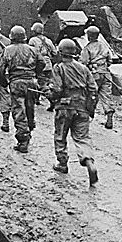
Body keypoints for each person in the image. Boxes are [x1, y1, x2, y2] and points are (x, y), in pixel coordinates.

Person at [46, 38, 99, 186]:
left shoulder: (58, 68)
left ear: (60, 52)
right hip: (82, 107)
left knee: (60, 135)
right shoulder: (84, 68)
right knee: (82, 138)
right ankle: (89, 161)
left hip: (65, 107)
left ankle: (62, 164)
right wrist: (90, 108)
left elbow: (56, 89)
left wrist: (49, 95)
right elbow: (93, 89)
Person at [0, 25, 45, 153]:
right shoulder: (33, 50)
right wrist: (34, 73)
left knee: (18, 110)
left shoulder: (8, 50)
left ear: (11, 37)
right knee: (30, 107)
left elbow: (1, 69)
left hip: (16, 82)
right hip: (31, 82)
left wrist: (4, 82)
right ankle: (30, 126)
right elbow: (42, 63)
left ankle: (23, 140)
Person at [80, 25, 115, 129]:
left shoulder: (87, 48)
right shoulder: (104, 46)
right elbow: (110, 61)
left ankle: (88, 116)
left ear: (89, 36)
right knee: (106, 96)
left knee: (91, 94)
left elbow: (83, 63)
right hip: (105, 73)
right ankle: (109, 113)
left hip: (94, 75)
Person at [28, 22, 58, 110]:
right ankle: (37, 100)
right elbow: (54, 53)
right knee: (47, 83)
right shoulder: (48, 40)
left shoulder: (32, 40)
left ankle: (52, 100)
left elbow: (30, 53)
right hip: (49, 65)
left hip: (39, 64)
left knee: (41, 83)